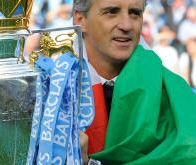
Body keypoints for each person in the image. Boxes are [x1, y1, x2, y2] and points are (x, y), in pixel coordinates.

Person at [72, 0, 196, 164]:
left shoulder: (175, 92)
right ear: (80, 20)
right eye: (112, 11)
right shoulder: (52, 92)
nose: (127, 25)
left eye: (135, 13)